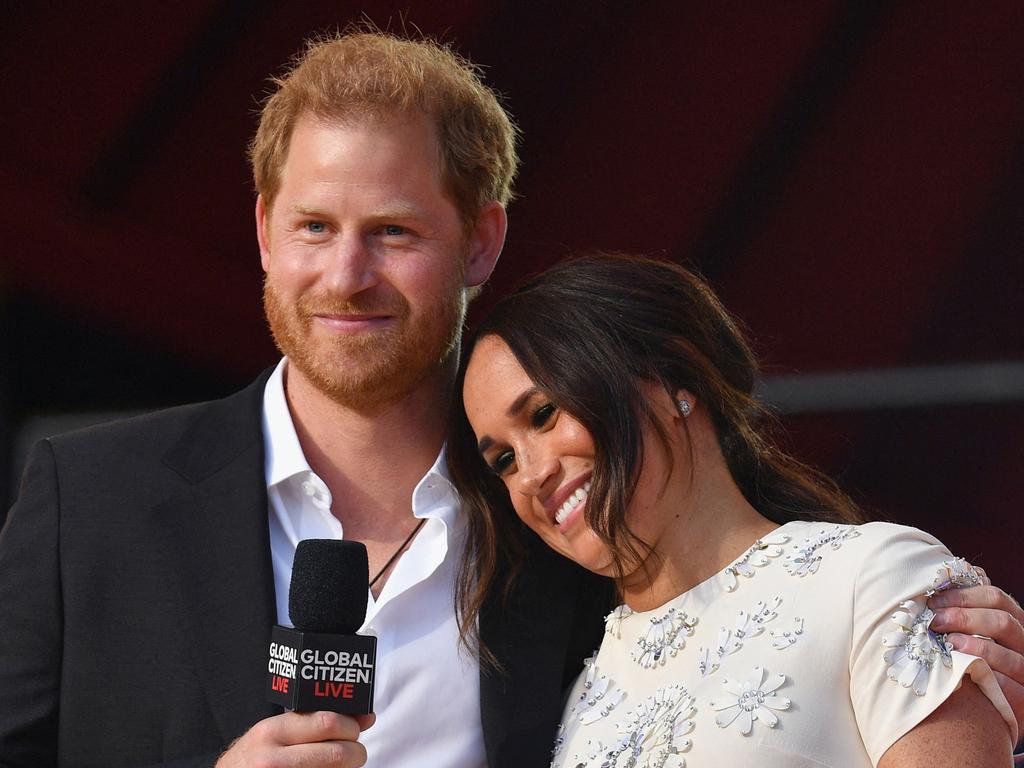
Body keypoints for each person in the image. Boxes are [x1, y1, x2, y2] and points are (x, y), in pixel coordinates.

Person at [0, 29, 1021, 768]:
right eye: (313, 227)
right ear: (264, 231)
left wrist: (912, 635)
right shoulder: (88, 500)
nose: (346, 274)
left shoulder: (574, 519)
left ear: (480, 240)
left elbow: (761, 615)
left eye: (393, 232)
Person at [449, 253, 1021, 766]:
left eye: (544, 415)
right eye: (502, 460)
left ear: (674, 378)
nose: (531, 473)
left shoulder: (871, 580)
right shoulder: (575, 702)